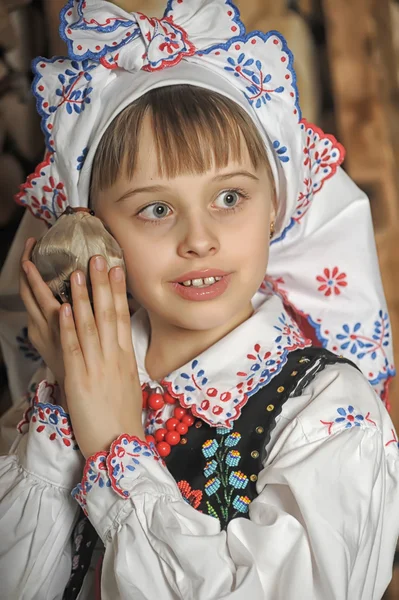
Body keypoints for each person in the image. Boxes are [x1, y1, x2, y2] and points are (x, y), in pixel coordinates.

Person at [0, 0, 398, 598]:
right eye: (156, 209)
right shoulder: (51, 400)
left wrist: (115, 449)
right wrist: (63, 398)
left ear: (275, 207)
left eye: (230, 198)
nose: (200, 239)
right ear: (95, 231)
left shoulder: (329, 416)